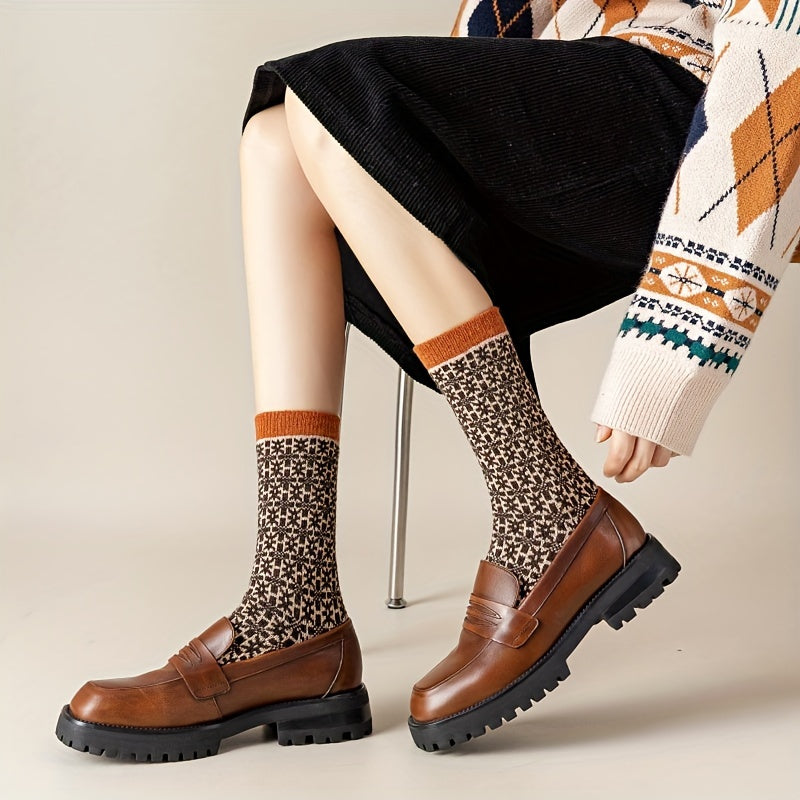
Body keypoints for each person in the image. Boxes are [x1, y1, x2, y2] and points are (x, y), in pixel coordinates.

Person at [55, 0, 798, 760]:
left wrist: (679, 343)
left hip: (715, 108)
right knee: (278, 140)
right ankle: (293, 606)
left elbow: (784, 38)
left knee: (342, 99)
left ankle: (545, 507)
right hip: (582, 88)